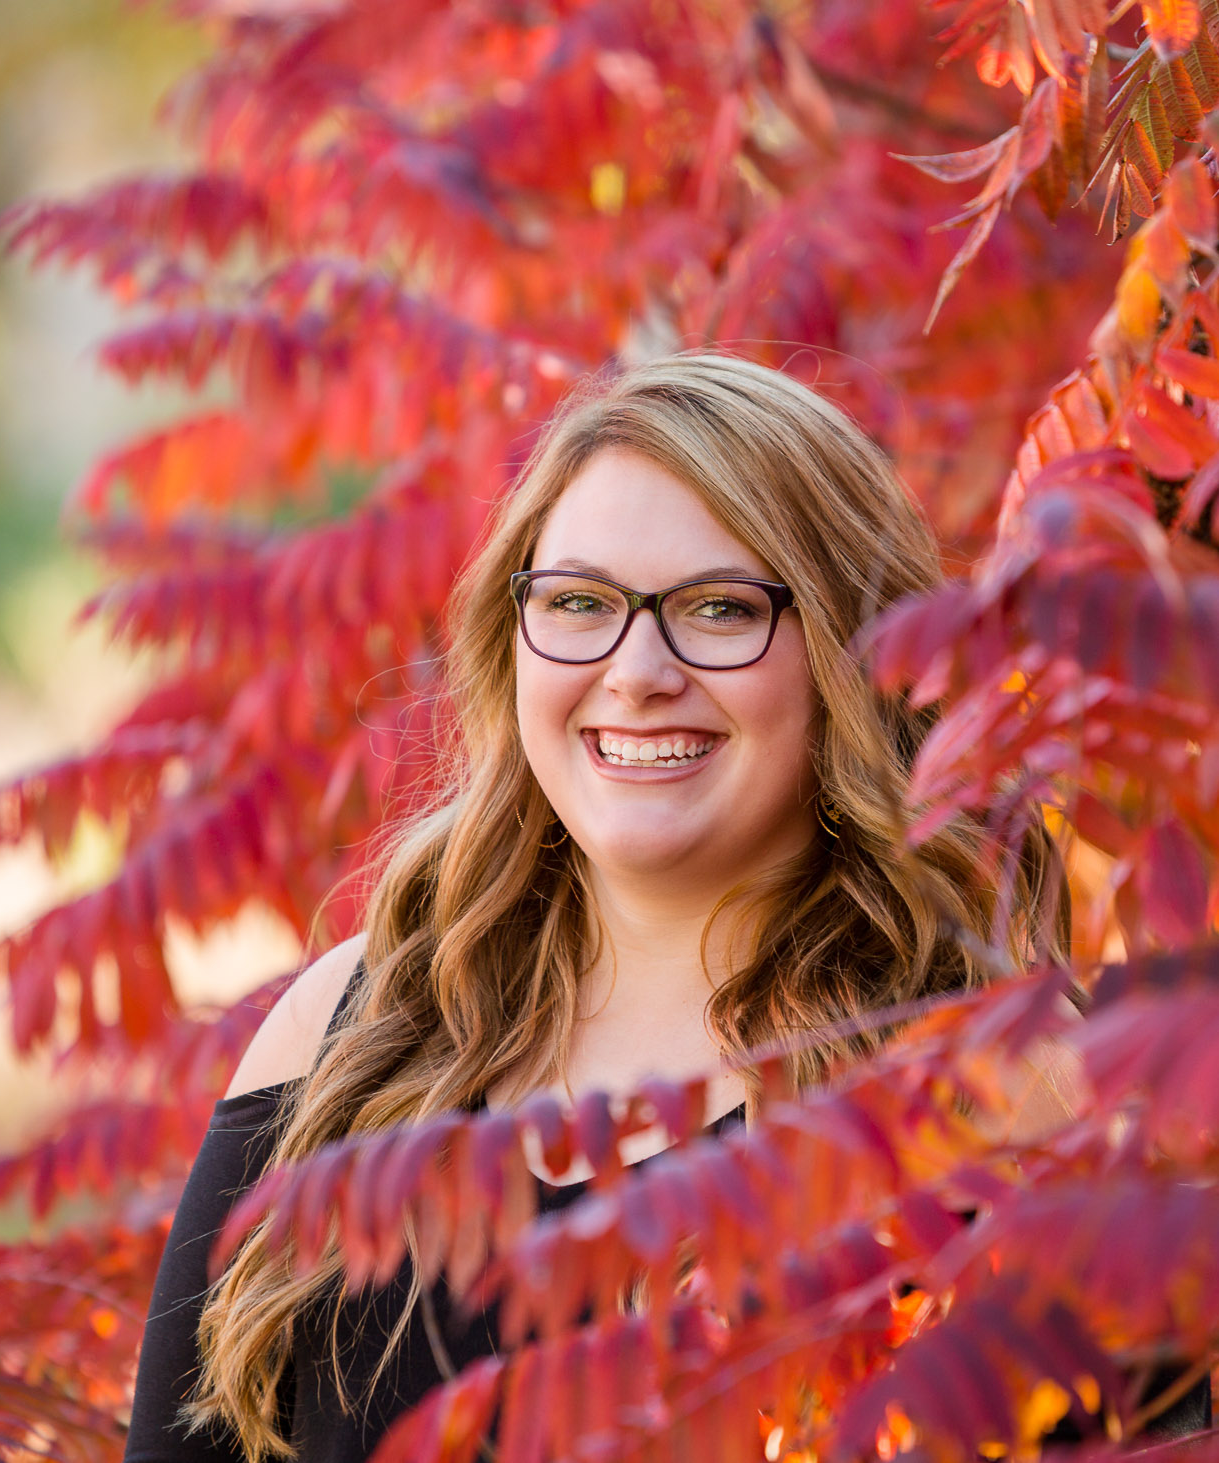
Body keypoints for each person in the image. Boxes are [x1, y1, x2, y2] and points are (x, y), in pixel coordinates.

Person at [124, 352, 1085, 1463]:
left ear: (848, 652)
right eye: (578, 602)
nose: (635, 671)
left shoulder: (995, 1096)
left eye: (720, 608)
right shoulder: (344, 1036)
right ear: (511, 635)